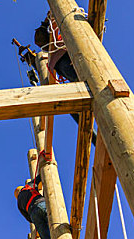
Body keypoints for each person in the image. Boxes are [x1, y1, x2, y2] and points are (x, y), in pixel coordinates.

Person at [34, 13, 97, 145]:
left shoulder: (65, 27)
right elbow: (40, 40)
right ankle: (91, 129)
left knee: (90, 87)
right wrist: (45, 23)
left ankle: (93, 126)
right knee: (84, 89)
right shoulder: (51, 36)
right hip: (63, 60)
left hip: (70, 57)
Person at [15, 175, 55, 239]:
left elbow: (28, 218)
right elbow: (40, 176)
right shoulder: (28, 186)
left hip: (33, 214)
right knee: (55, 225)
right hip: (41, 203)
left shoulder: (19, 203)